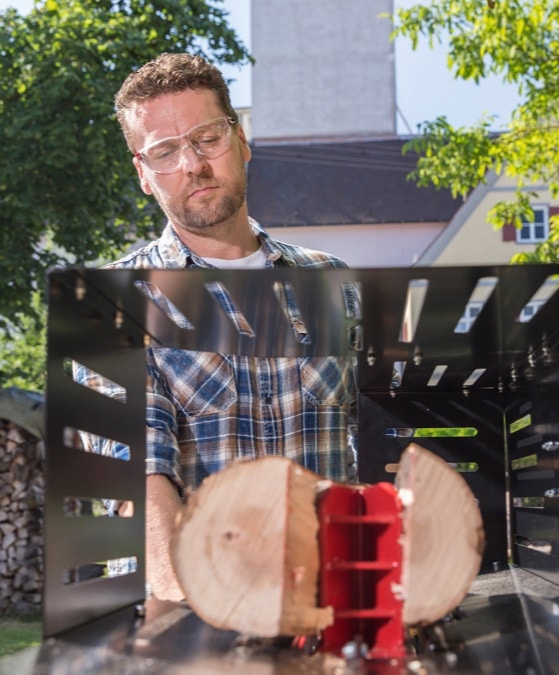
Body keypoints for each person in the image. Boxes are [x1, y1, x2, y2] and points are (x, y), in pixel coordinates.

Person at [75, 52, 357, 601]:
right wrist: (194, 622)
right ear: (143, 174)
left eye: (207, 138)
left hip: (326, 610)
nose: (192, 164)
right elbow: (135, 473)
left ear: (241, 140)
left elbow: (376, 438)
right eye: (164, 152)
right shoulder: (114, 302)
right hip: (189, 614)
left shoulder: (334, 285)